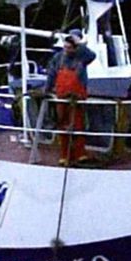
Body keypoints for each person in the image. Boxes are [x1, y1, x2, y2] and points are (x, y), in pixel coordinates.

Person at [45, 30, 96, 163]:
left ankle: (80, 154)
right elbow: (51, 74)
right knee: (62, 125)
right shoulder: (58, 57)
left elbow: (92, 55)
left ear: (76, 47)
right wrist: (46, 90)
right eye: (65, 47)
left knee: (78, 125)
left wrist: (80, 44)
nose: (66, 50)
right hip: (61, 96)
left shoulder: (82, 56)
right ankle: (64, 156)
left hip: (77, 97)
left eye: (70, 47)